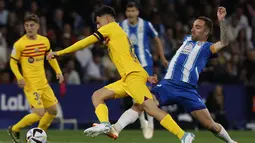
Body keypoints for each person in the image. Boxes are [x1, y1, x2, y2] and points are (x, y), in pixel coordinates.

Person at [47, 6, 194, 143]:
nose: (98, 27)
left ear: (107, 20)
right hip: (129, 78)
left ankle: (183, 136)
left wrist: (59, 53)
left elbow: (85, 42)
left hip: (133, 77)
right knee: (98, 96)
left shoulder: (110, 27)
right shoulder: (118, 32)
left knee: (151, 108)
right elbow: (132, 57)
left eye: (99, 23)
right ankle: (106, 125)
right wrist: (146, 76)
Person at [104, 7, 238, 143]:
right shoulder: (187, 39)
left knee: (210, 125)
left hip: (188, 90)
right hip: (168, 85)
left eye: (197, 27)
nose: (193, 29)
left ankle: (231, 142)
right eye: (193, 26)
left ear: (206, 31)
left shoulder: (207, 48)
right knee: (142, 103)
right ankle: (116, 129)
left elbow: (224, 42)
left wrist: (222, 21)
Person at [8, 14, 64, 143]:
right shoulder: (20, 44)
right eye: (26, 25)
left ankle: (38, 136)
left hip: (43, 83)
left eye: (32, 25)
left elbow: (50, 57)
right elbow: (13, 62)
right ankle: (14, 128)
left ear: (38, 26)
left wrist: (58, 71)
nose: (29, 28)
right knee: (39, 113)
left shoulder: (44, 41)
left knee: (53, 111)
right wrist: (19, 77)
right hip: (30, 84)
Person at [119, 2, 168, 139]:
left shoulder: (146, 25)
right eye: (128, 11)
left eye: (133, 11)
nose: (130, 13)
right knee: (136, 97)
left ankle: (150, 122)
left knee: (147, 95)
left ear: (137, 12)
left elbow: (157, 39)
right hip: (129, 67)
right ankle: (143, 122)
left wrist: (162, 57)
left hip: (145, 65)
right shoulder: (121, 26)